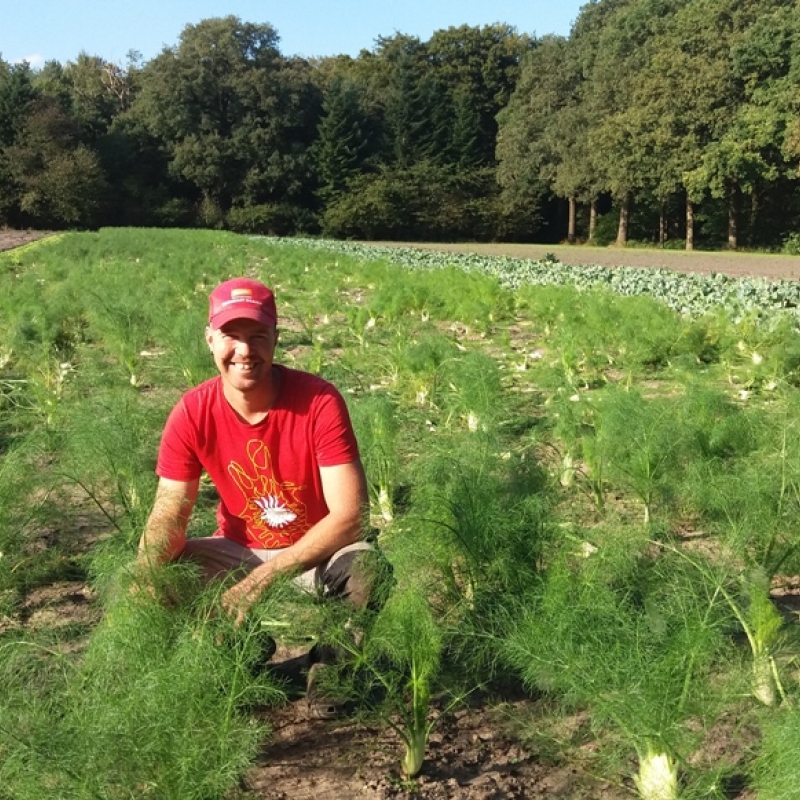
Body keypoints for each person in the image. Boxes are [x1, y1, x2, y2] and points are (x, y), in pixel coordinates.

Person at [136, 276, 379, 715]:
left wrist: (261, 581)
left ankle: (331, 668)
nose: (245, 351)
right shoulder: (191, 412)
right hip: (238, 550)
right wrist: (145, 577)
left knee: (368, 569)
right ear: (210, 339)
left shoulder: (318, 402)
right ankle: (238, 649)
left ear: (276, 340)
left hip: (315, 553)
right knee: (163, 575)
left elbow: (350, 517)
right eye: (231, 336)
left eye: (258, 337)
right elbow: (168, 512)